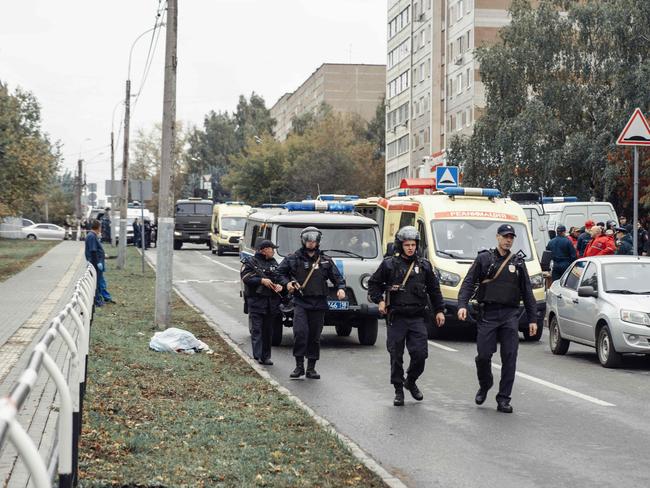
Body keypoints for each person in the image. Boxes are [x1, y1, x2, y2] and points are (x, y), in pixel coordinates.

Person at [457, 224, 537, 414]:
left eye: (511, 237)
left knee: (510, 357)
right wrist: (462, 305)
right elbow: (469, 282)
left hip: (509, 315)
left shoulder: (518, 262)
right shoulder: (484, 259)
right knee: (483, 355)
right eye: (505, 236)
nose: (508, 240)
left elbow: (527, 292)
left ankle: (503, 399)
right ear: (497, 237)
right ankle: (485, 384)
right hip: (489, 314)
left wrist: (533, 319)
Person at [368, 226, 445, 406]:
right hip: (397, 317)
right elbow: (374, 284)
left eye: (413, 244)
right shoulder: (389, 264)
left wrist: (440, 310)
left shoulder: (424, 266)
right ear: (400, 245)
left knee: (420, 355)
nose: (410, 248)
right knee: (396, 355)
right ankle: (398, 389)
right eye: (407, 244)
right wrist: (379, 300)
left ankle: (410, 381)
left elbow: (434, 290)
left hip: (417, 317)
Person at [277, 226, 346, 380]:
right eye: (308, 240)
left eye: (313, 240)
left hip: (319, 303)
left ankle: (311, 368)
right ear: (303, 240)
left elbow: (337, 278)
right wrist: (287, 283)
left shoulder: (326, 261)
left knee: (314, 336)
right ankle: (299, 366)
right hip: (301, 302)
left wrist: (341, 289)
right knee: (300, 333)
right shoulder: (293, 258)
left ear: (318, 242)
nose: (310, 243)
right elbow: (279, 273)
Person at [240, 240, 283, 365]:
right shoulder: (251, 262)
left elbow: (279, 276)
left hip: (271, 303)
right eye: (271, 249)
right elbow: (246, 277)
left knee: (268, 331)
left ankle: (266, 357)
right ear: (264, 250)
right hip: (256, 302)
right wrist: (261, 281)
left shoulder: (274, 262)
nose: (273, 251)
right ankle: (257, 356)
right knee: (257, 330)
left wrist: (280, 285)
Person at [84, 220, 114, 307]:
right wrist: (98, 262)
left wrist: (102, 255)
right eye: (100, 227)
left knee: (100, 282)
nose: (101, 229)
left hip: (96, 263)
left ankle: (103, 298)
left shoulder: (92, 235)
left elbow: (96, 250)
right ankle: (97, 301)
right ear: (98, 227)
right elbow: (93, 251)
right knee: (96, 283)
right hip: (95, 264)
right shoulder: (92, 236)